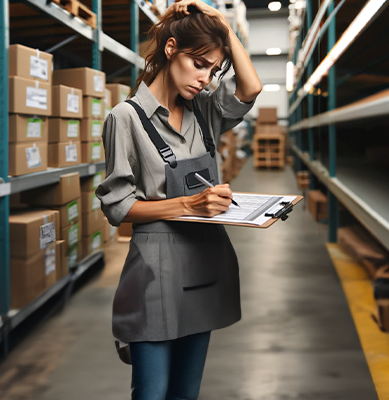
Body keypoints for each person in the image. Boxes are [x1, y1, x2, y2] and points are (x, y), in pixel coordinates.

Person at [95, 0, 262, 398]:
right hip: (155, 272)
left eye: (214, 70)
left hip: (204, 267)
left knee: (186, 393)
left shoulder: (204, 111)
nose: (205, 79)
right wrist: (189, 205)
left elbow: (251, 88)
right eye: (199, 64)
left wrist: (222, 25)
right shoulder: (125, 119)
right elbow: (118, 208)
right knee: (152, 394)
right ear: (171, 50)